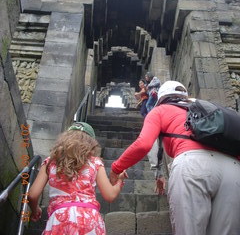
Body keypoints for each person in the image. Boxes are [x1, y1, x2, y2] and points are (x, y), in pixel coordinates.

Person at [109, 80, 240, 235]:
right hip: (233, 169)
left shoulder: (160, 110)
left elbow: (144, 144)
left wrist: (116, 168)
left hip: (193, 165)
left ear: (161, 97)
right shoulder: (206, 108)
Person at [28, 122, 128, 235]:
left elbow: (32, 195)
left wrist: (35, 210)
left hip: (60, 219)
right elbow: (110, 195)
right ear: (91, 143)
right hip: (89, 219)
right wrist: (119, 180)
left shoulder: (51, 162)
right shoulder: (95, 162)